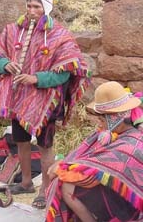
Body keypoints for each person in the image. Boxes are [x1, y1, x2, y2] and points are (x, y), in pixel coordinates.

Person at [0, 0, 89, 209]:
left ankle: (46, 191)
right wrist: (5, 64)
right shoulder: (13, 31)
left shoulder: (60, 36)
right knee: (21, 140)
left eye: (37, 6)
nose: (32, 10)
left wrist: (36, 78)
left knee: (45, 146)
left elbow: (66, 72)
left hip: (46, 102)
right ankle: (26, 182)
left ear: (47, 7)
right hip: (19, 99)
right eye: (29, 5)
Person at [46, 81, 143, 221]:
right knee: (66, 180)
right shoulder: (114, 135)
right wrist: (64, 165)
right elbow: (87, 160)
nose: (99, 123)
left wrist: (62, 169)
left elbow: (93, 168)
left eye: (102, 119)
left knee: (67, 186)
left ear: (114, 118)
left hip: (130, 206)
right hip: (118, 194)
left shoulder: (129, 146)